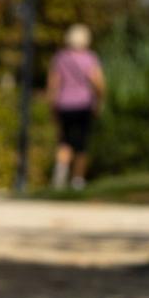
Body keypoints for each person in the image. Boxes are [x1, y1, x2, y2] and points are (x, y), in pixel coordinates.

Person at [46, 24, 106, 191]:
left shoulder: (60, 58)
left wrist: (52, 106)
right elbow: (98, 83)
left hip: (63, 104)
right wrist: (100, 100)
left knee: (64, 142)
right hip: (83, 104)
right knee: (81, 144)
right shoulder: (89, 58)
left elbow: (53, 85)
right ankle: (77, 180)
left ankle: (59, 179)